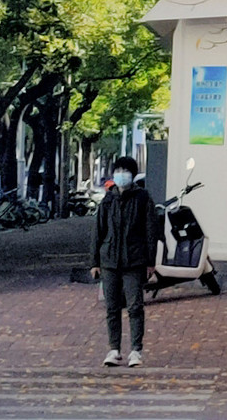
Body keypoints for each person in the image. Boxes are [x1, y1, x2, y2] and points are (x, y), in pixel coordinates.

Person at [90, 155, 157, 367]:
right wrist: (94, 261)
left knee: (135, 306)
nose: (121, 174)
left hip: (134, 261)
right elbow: (98, 231)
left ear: (132, 174)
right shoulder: (108, 200)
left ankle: (136, 350)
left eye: (125, 170)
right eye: (118, 170)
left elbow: (150, 231)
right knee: (112, 307)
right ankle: (114, 349)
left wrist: (150, 261)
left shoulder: (143, 198)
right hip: (109, 261)